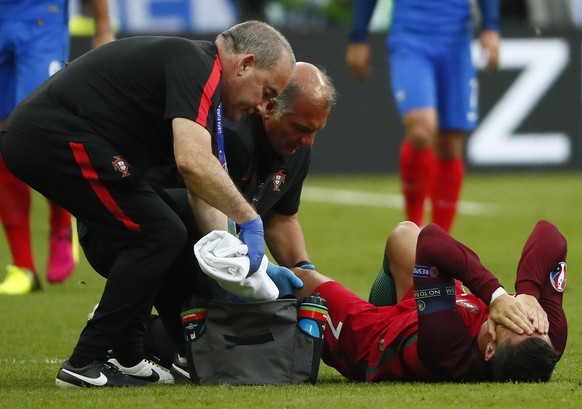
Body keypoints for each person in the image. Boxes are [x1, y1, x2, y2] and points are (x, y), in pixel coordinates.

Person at [0, 20, 296, 388]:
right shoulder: (201, 67)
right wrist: (250, 219)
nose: (264, 107)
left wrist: (243, 261)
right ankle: (87, 360)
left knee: (162, 229)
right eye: (267, 92)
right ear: (245, 64)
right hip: (51, 136)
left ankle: (128, 355)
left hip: (56, 138)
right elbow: (191, 160)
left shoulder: (207, 82)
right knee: (159, 233)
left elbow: (197, 185)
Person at [132, 61, 336, 377]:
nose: (308, 141)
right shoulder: (232, 135)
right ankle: (129, 329)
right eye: (301, 128)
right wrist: (255, 271)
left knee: (251, 322)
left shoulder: (298, 147)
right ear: (270, 109)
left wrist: (304, 271)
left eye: (316, 131)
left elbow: (282, 219)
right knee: (235, 325)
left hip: (213, 243)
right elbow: (207, 216)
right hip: (163, 233)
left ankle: (161, 334)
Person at [292, 219, 567, 382]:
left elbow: (432, 240)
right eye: (532, 323)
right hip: (443, 306)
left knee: (297, 279)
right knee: (403, 234)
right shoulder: (546, 336)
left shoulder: (446, 349)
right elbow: (549, 233)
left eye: (513, 322)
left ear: (490, 350)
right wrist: (530, 293)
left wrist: (495, 295)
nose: (522, 313)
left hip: (376, 336)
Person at [346, 0, 501, 233]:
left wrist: (491, 26)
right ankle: (414, 227)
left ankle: (440, 239)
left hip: (456, 40)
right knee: (421, 130)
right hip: (410, 38)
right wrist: (358, 35)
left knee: (449, 143)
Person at [0, 0, 116, 295]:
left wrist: (102, 26)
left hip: (41, 20)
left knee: (38, 126)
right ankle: (23, 266)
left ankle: (61, 221)